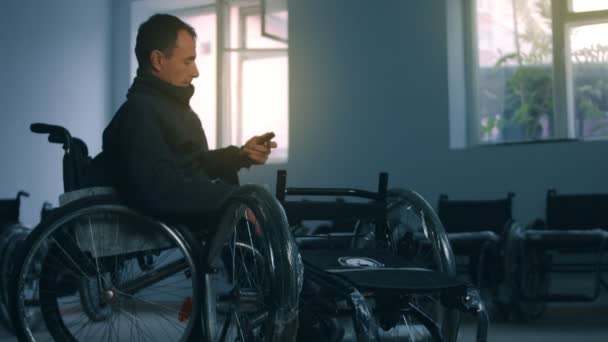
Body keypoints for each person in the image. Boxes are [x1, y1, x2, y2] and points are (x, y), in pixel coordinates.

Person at [102, 13, 276, 215]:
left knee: (265, 207)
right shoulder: (139, 113)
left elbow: (196, 164)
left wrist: (241, 155)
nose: (196, 72)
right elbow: (162, 190)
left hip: (190, 219)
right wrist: (233, 200)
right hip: (170, 225)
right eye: (187, 62)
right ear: (158, 60)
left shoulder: (171, 109)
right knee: (259, 206)